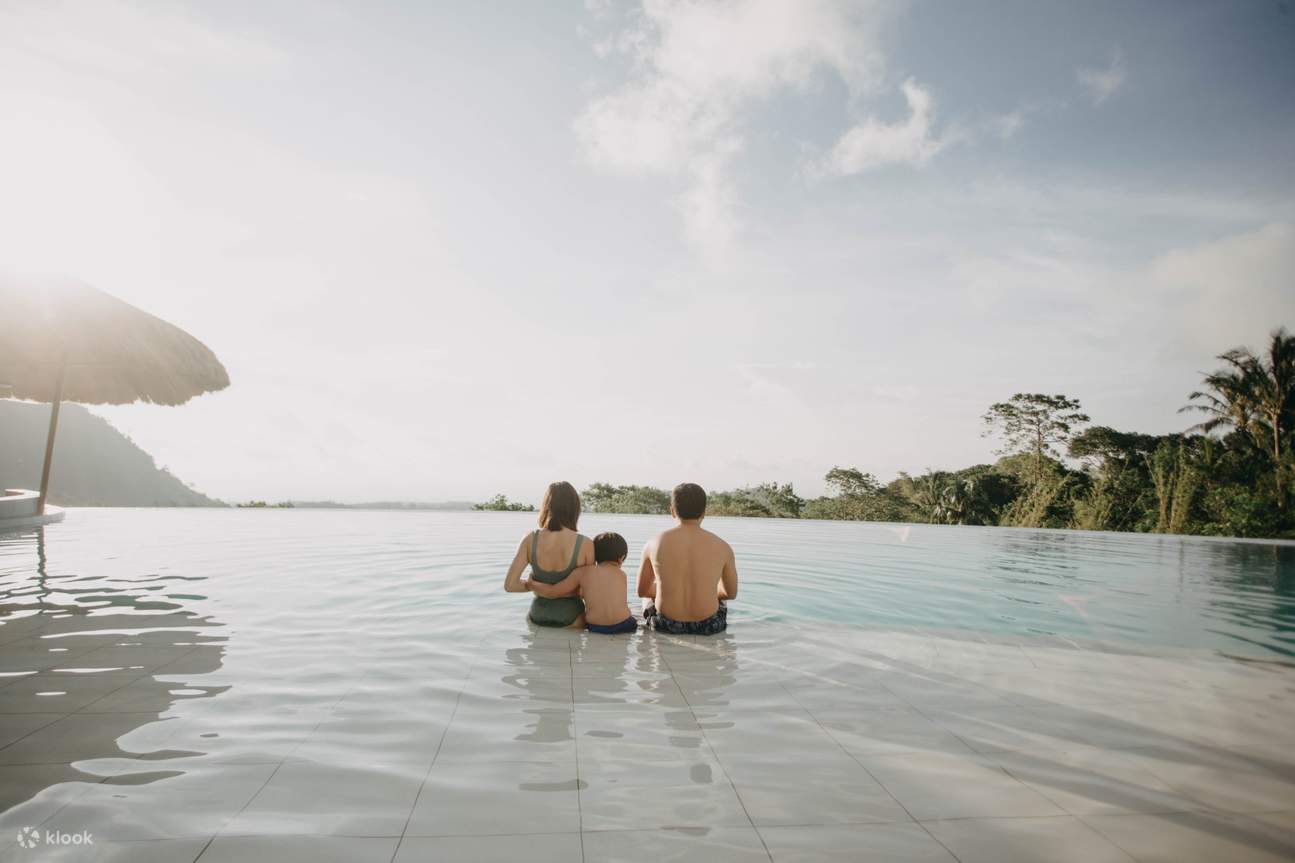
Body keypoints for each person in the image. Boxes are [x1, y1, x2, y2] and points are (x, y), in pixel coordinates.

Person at [638, 482, 737, 635]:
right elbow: (730, 593)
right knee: (720, 598)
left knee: (647, 599)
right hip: (709, 625)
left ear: (672, 511)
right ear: (704, 513)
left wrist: (665, 588)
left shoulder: (653, 544)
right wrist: (708, 590)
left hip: (666, 624)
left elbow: (642, 590)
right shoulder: (723, 547)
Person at [503, 481, 594, 627]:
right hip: (572, 617)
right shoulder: (586, 544)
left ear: (546, 506)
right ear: (575, 508)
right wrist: (562, 592)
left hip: (537, 615)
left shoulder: (530, 538)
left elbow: (510, 585)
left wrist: (535, 586)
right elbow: (588, 593)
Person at [526, 532, 637, 635]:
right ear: (621, 558)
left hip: (596, 627)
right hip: (625, 625)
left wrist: (532, 584)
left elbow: (553, 591)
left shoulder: (582, 572)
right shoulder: (622, 574)